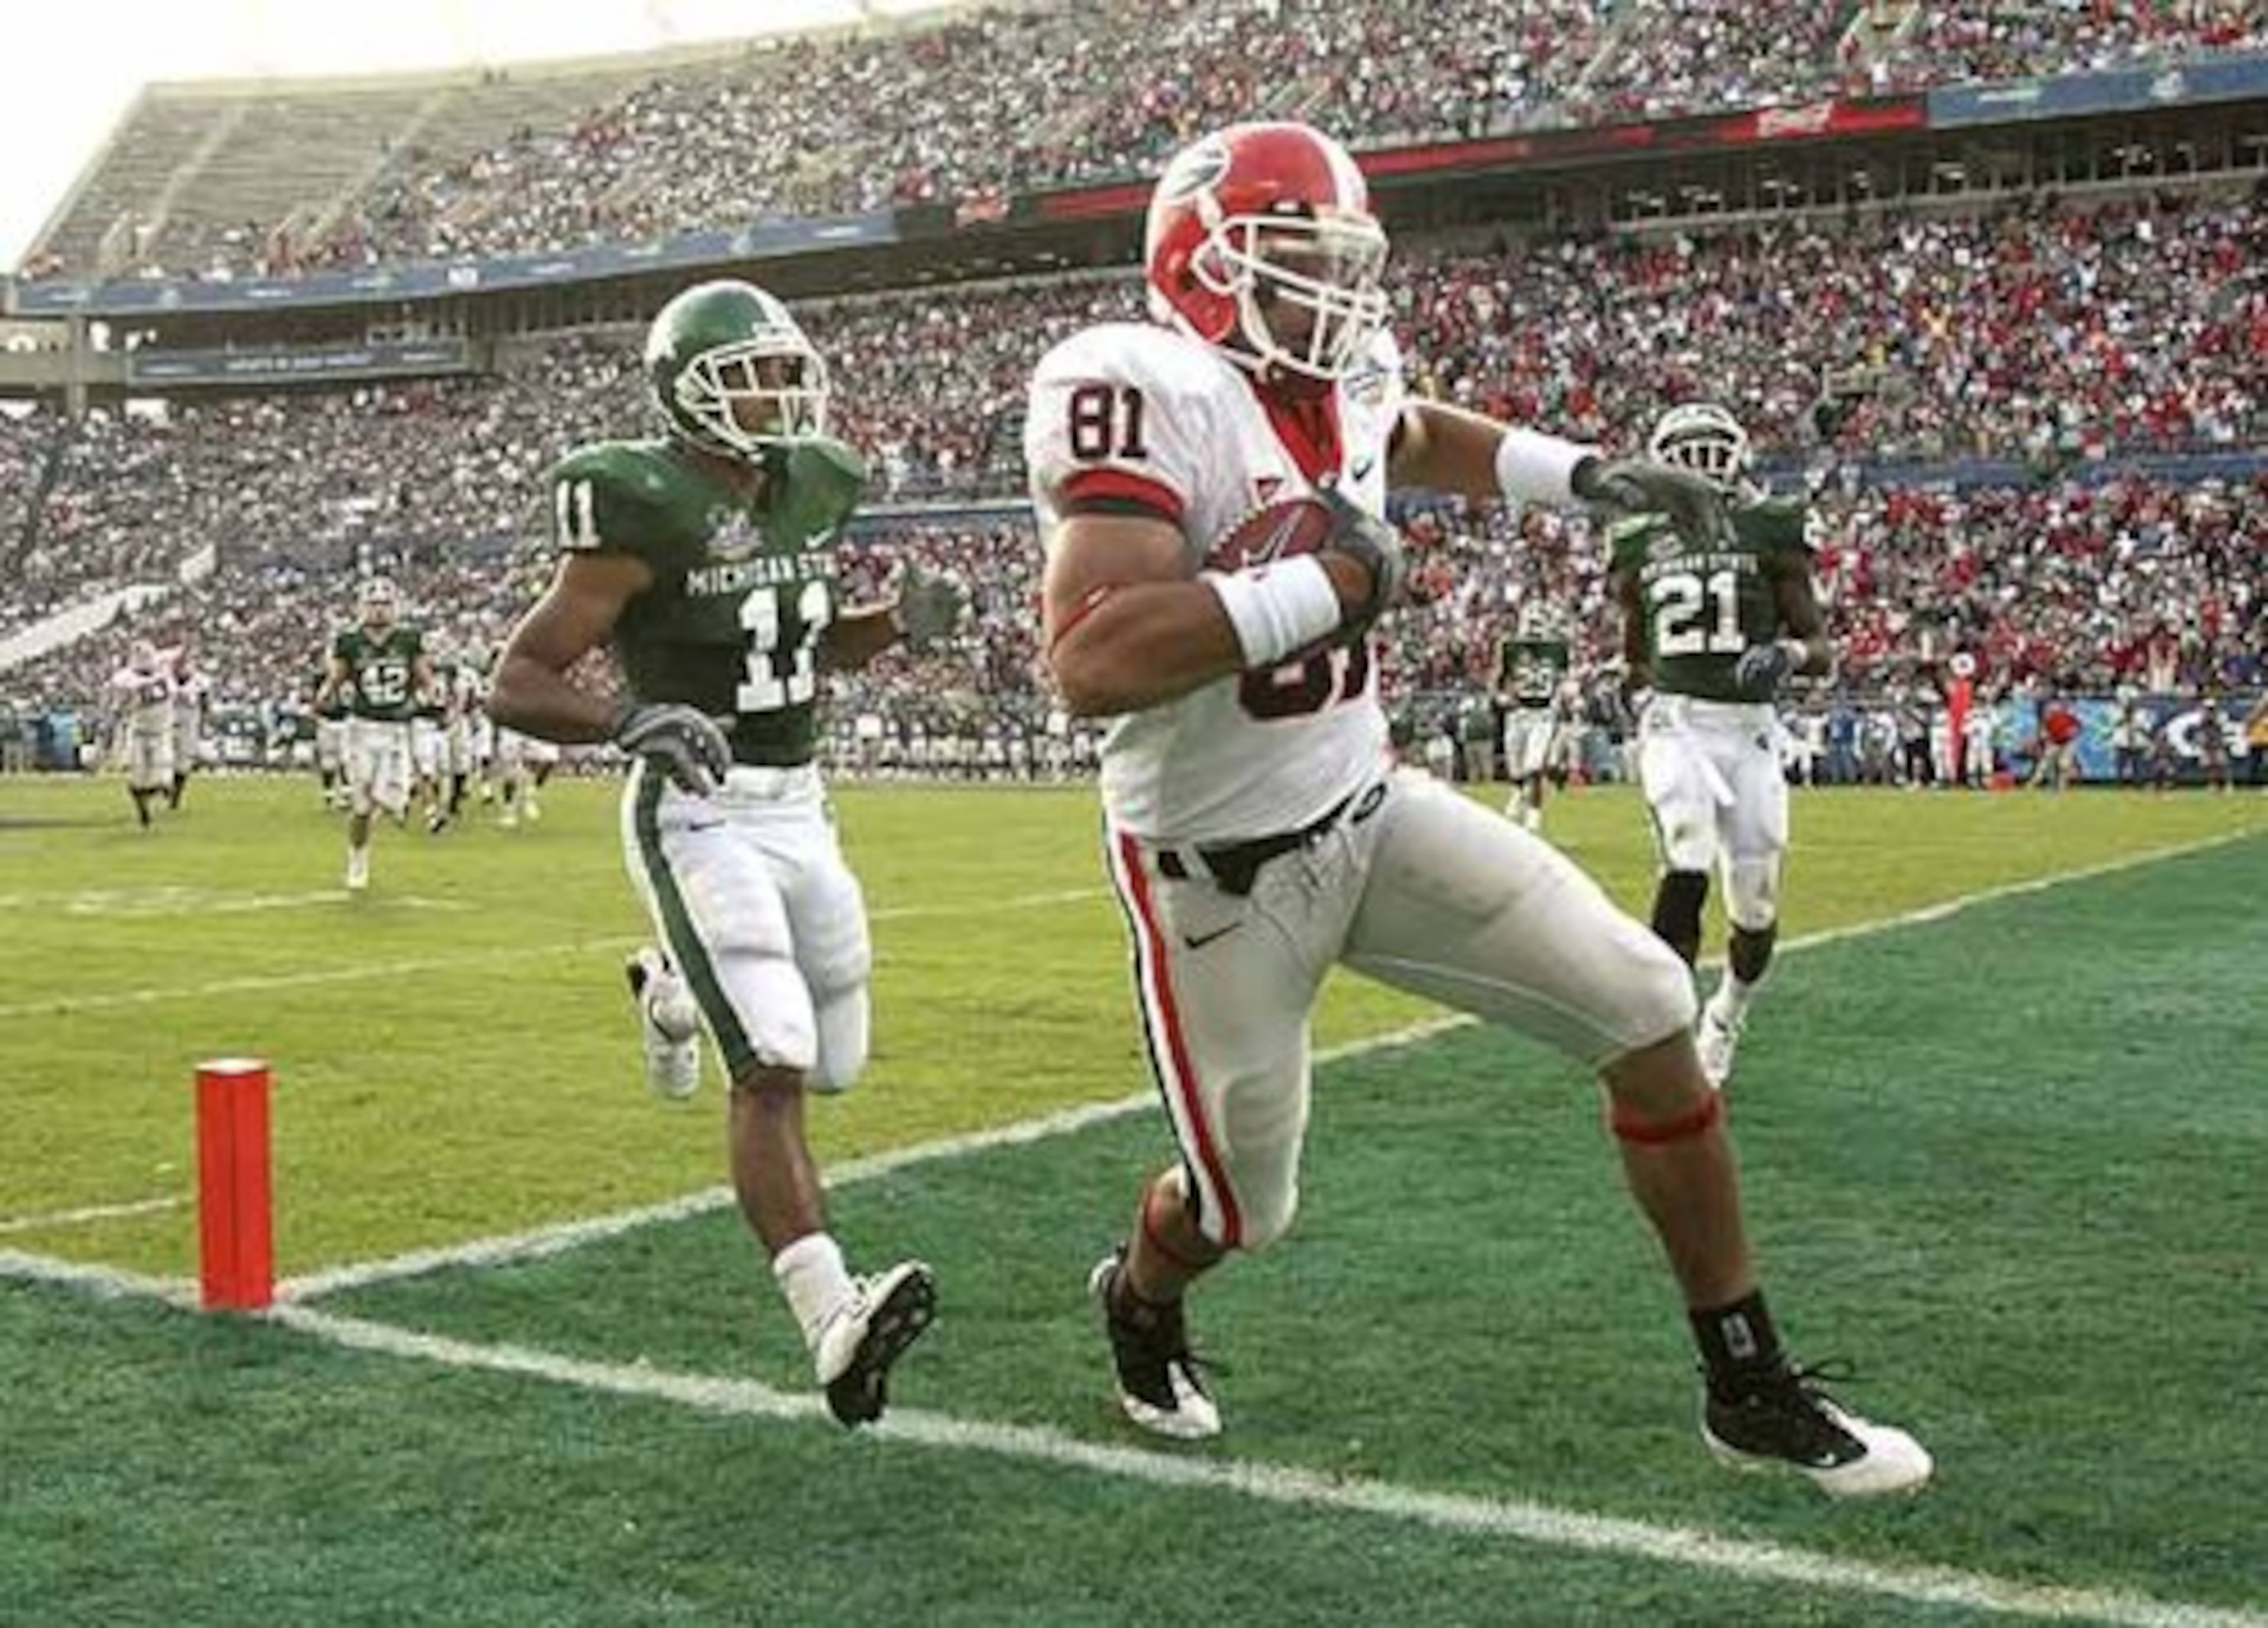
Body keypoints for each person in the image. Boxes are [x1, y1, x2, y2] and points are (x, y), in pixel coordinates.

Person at [1025, 121, 1928, 1498]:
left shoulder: (1343, 375)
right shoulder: (1136, 380)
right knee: (1236, 1207)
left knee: (1644, 1001)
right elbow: (1090, 654)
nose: (1334, 289)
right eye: (1298, 259)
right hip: (1213, 878)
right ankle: (1141, 1297)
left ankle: (1742, 1376)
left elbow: (1416, 433)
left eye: (1342, 259)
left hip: (1365, 810)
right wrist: (1325, 589)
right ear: (1203, 264)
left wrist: (1590, 475)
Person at [487, 278, 964, 1428]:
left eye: (784, 371)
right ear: (686, 396)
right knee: (778, 1063)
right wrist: (623, 719)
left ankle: (670, 989)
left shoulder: (815, 488)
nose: (778, 395)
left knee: (840, 1052)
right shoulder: (635, 503)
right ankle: (829, 1319)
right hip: (697, 804)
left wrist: (895, 626)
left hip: (802, 802)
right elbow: (516, 677)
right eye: (749, 377)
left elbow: (795, 648)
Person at [1607, 403, 1833, 1090]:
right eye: (1689, 453)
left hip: (1750, 729)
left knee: (1755, 905)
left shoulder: (1772, 528)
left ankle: (1728, 1013)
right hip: (1678, 721)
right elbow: (1638, 653)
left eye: (1712, 451)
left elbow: (1821, 648)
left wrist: (1789, 654)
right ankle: (1661, 1033)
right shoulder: (1636, 540)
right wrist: (1626, 686)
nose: (1702, 468)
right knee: (1687, 847)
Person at [317, 577, 433, 891]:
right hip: (362, 727)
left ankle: (368, 821)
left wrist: (427, 698)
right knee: (362, 806)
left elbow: (426, 680)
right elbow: (337, 678)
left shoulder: (409, 639)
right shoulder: (349, 641)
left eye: (384, 605)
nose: (379, 611)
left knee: (390, 801)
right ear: (362, 607)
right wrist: (326, 694)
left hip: (396, 729)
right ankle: (358, 859)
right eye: (373, 605)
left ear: (394, 607)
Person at [1499, 608, 1570, 833]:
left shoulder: (1557, 649)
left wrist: (1561, 699)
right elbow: (1500, 677)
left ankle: (1534, 816)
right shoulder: (1511, 648)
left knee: (1534, 767)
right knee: (1517, 770)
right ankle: (1518, 792)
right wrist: (1500, 696)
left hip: (1543, 714)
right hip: (1518, 714)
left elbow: (1563, 678)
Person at [107, 639, 174, 830]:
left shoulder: (163, 674)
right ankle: (143, 811)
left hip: (161, 732)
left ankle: (159, 792)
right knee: (136, 778)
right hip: (137, 732)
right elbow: (124, 694)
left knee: (161, 776)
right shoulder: (126, 679)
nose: (144, 661)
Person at [164, 644, 210, 810]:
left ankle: (175, 795)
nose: (181, 666)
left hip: (189, 720)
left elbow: (205, 703)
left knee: (183, 761)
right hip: (168, 719)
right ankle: (164, 785)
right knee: (164, 755)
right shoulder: (165, 679)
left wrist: (205, 723)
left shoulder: (200, 680)